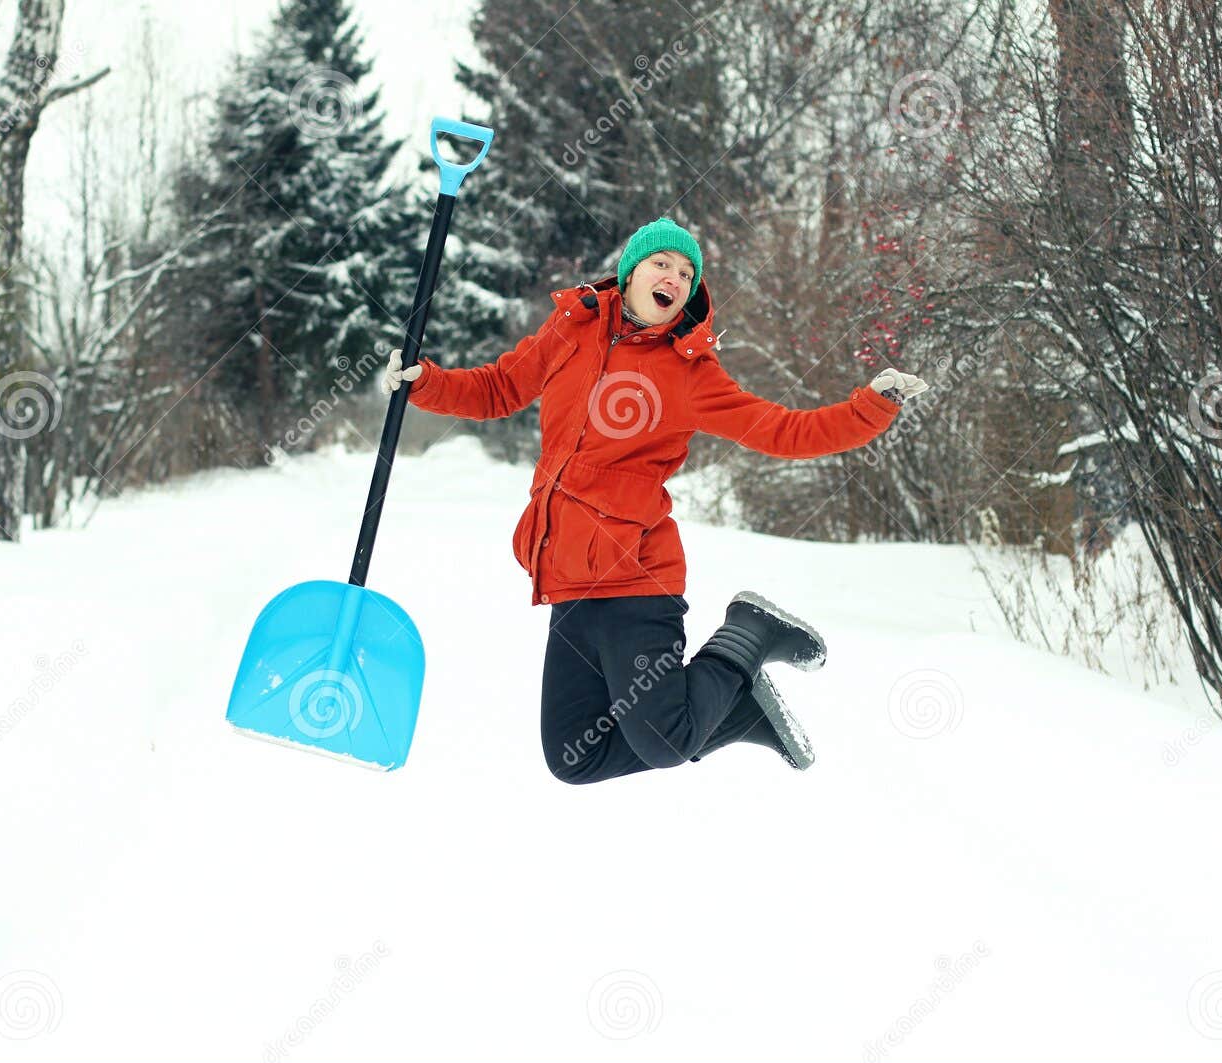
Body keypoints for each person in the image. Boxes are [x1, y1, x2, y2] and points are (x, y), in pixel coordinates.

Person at [382, 217, 929, 784]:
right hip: (569, 580)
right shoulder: (572, 329)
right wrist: (425, 383)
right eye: (662, 263)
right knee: (574, 758)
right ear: (630, 272)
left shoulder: (690, 373)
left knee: (666, 741)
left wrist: (872, 406)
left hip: (636, 580)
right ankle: (735, 710)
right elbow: (499, 388)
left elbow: (783, 430)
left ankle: (749, 635)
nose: (675, 276)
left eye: (687, 272)